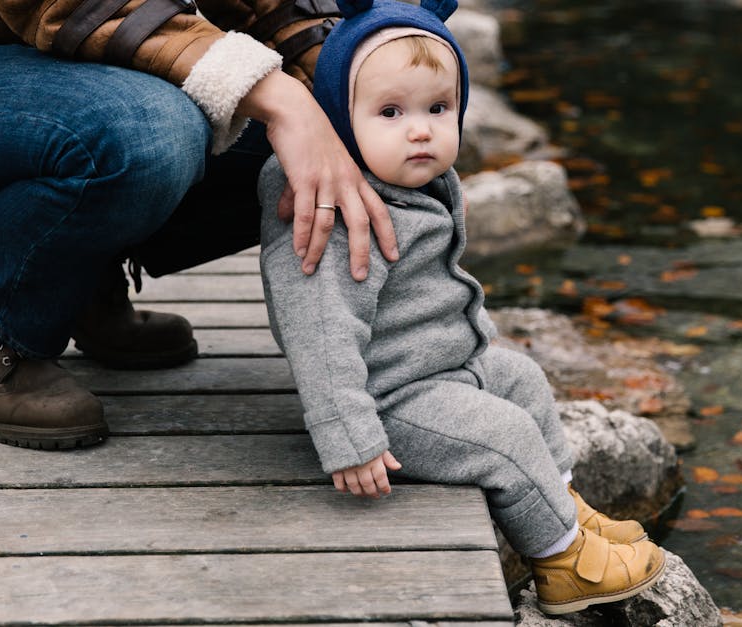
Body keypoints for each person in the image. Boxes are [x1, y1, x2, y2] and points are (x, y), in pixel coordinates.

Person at [257, 0, 667, 615]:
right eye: (390, 112)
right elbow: (317, 331)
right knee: (504, 436)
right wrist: (349, 436)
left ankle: (566, 509)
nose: (419, 129)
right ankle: (563, 562)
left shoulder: (418, 183)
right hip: (389, 398)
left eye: (437, 109)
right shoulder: (332, 210)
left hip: (445, 367)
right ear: (338, 121)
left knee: (522, 376)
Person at [0, 0, 400, 449]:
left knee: (371, 125)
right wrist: (286, 101)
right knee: (150, 135)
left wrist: (344, 79)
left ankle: (72, 280)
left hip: (69, 66)